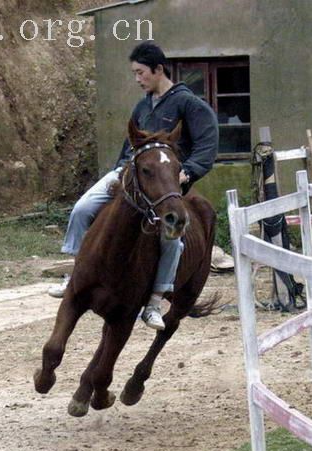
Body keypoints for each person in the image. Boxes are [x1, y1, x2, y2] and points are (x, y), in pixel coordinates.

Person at [48, 41, 219, 331]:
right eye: (135, 73)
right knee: (83, 207)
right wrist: (119, 171)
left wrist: (187, 172)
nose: (137, 79)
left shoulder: (190, 105)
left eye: (141, 73)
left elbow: (207, 145)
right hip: (130, 176)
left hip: (168, 186)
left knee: (172, 239)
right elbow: (131, 146)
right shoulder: (142, 106)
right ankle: (74, 274)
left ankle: (153, 302)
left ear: (158, 69)